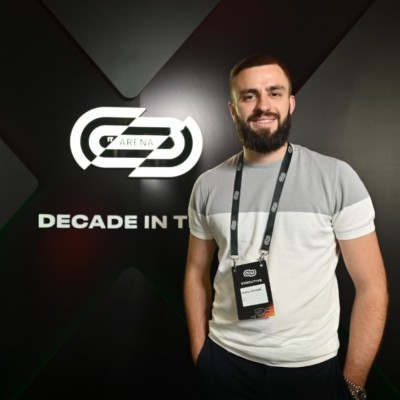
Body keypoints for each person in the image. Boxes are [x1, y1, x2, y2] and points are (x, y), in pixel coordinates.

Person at [183, 54, 388, 400]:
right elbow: (195, 271)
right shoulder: (208, 185)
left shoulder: (336, 178)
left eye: (274, 93)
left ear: (290, 103)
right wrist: (201, 354)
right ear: (233, 110)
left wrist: (352, 383)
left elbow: (372, 287)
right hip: (226, 361)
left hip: (310, 369)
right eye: (249, 96)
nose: (263, 105)